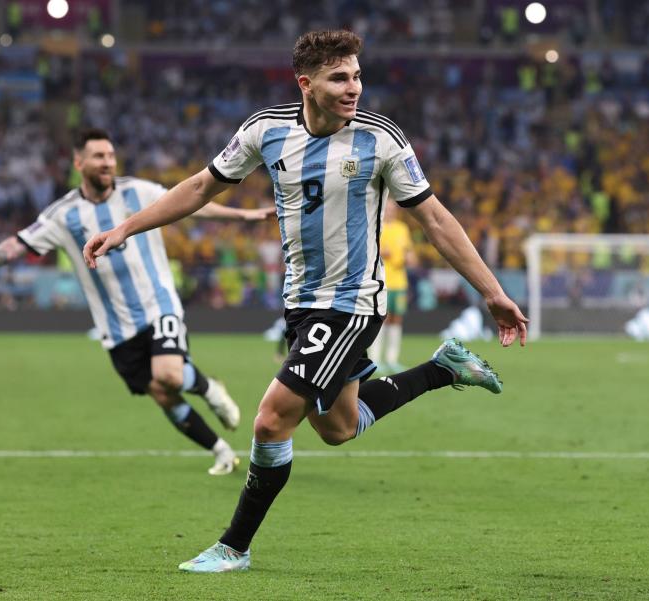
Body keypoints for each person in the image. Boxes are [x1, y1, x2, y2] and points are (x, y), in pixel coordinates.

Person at [83, 30, 528, 572]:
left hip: (351, 304)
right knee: (339, 428)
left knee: (271, 422)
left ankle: (233, 546)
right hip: (301, 304)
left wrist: (493, 293)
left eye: (357, 76)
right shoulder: (265, 131)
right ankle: (442, 368)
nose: (354, 88)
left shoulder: (381, 140)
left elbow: (434, 218)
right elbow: (200, 188)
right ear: (306, 84)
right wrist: (127, 226)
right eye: (339, 78)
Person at [0, 128, 274, 476]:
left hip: (159, 305)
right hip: (115, 327)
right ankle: (220, 452)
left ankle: (209, 388)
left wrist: (245, 216)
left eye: (111, 155)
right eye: (98, 156)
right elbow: (17, 245)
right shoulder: (62, 215)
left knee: (169, 375)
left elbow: (194, 202)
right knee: (162, 393)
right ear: (79, 162)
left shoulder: (138, 191)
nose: (107, 162)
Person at [369, 199, 415, 372]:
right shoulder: (376, 227)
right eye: (387, 209)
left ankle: (391, 359)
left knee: (396, 319)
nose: (390, 212)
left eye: (392, 209)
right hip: (382, 282)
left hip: (400, 282)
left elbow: (409, 252)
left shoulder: (402, 228)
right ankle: (375, 359)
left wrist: (410, 257)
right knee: (382, 319)